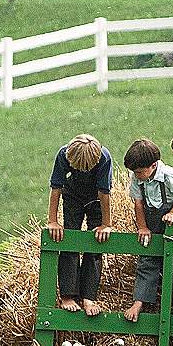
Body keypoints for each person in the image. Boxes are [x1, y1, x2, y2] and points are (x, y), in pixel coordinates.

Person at [122, 138, 173, 325]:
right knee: (147, 260)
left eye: (139, 172)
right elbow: (138, 203)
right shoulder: (137, 178)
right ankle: (139, 302)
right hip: (152, 221)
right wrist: (143, 227)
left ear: (153, 166)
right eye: (134, 172)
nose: (136, 175)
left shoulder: (167, 174)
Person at [46, 133, 113, 316]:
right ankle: (67, 295)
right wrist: (53, 220)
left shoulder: (104, 158)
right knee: (69, 239)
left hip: (96, 198)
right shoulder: (63, 154)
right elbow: (56, 187)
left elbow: (104, 192)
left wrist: (106, 224)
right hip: (73, 195)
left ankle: (88, 297)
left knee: (96, 243)